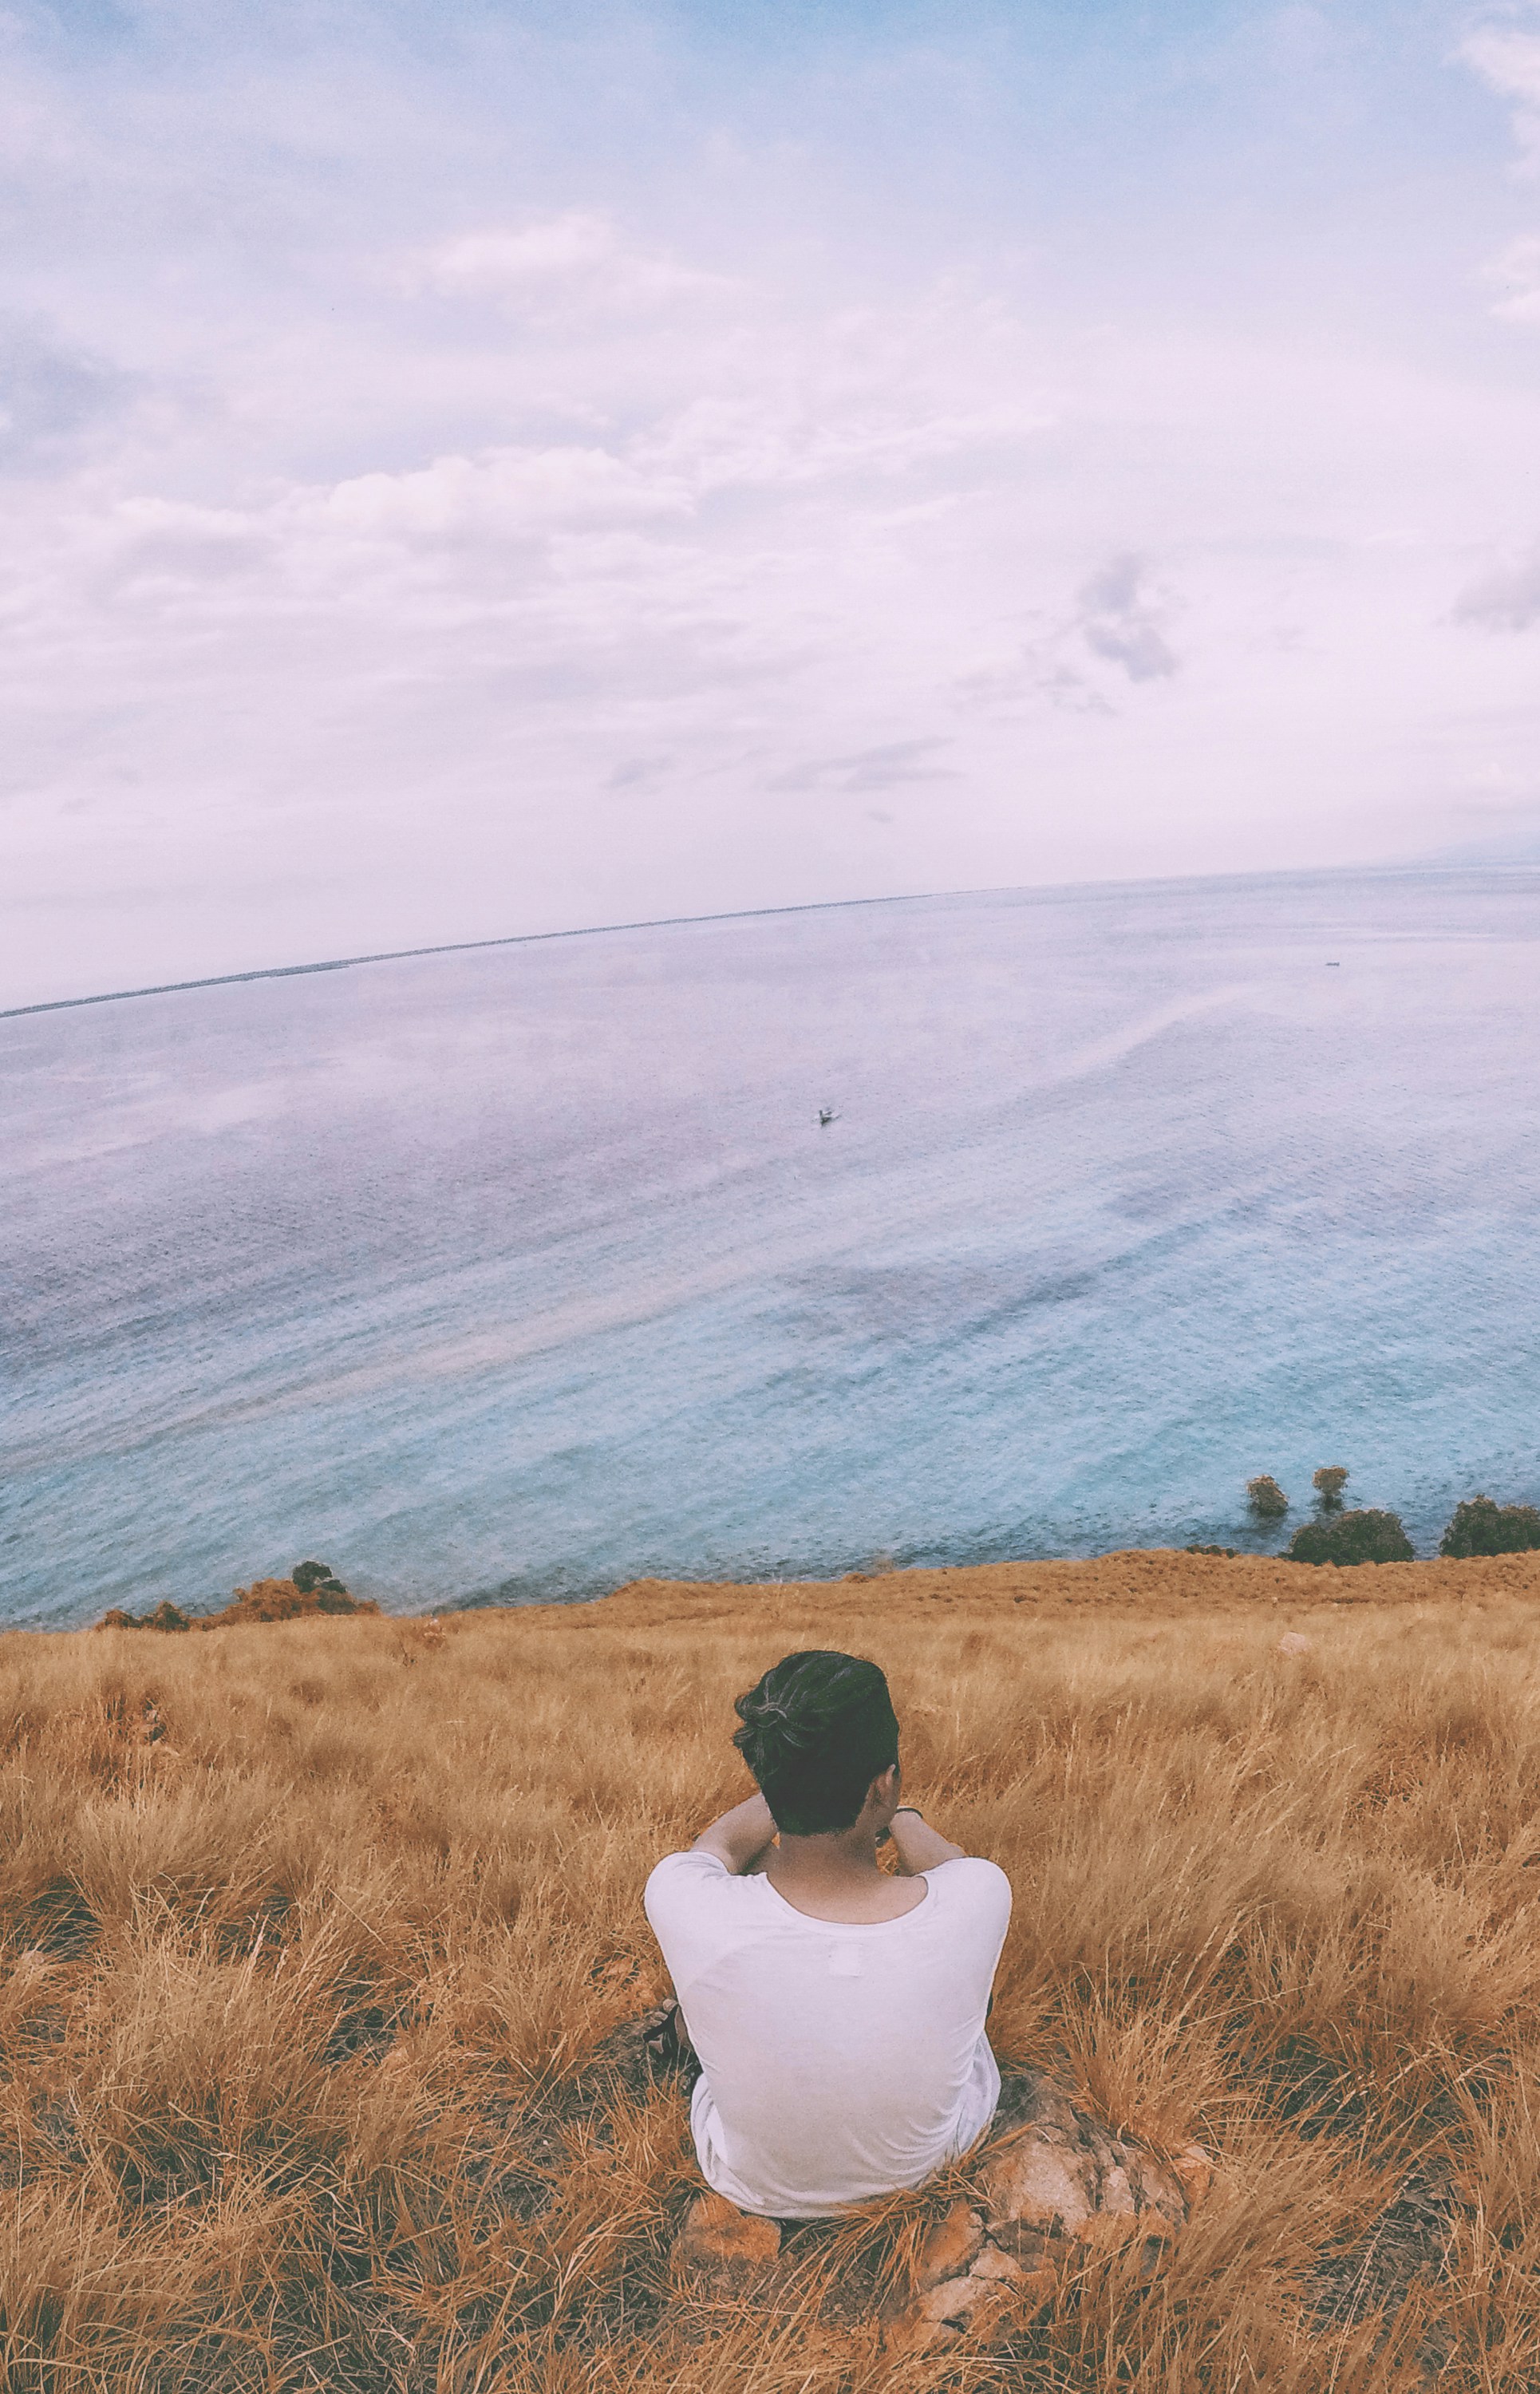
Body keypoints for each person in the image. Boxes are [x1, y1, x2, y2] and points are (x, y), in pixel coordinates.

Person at [643, 1648, 1012, 2221]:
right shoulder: (983, 1895)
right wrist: (902, 1816)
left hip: (753, 2182)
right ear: (883, 1785)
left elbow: (721, 1847)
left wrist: (791, 1784)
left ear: (766, 1776)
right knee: (965, 1984)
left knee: (716, 1964)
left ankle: (689, 2032)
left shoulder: (679, 1896)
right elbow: (952, 1866)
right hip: (921, 2169)